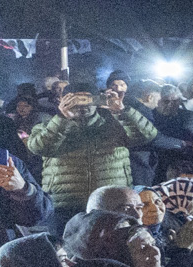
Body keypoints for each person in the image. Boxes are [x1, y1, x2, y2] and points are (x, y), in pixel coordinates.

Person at [27, 73, 157, 215]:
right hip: (65, 203)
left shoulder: (115, 124)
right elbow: (37, 147)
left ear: (97, 100)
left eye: (88, 99)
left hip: (112, 201)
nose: (83, 104)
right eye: (76, 99)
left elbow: (147, 135)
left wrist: (122, 111)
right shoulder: (48, 125)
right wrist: (62, 119)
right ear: (62, 100)